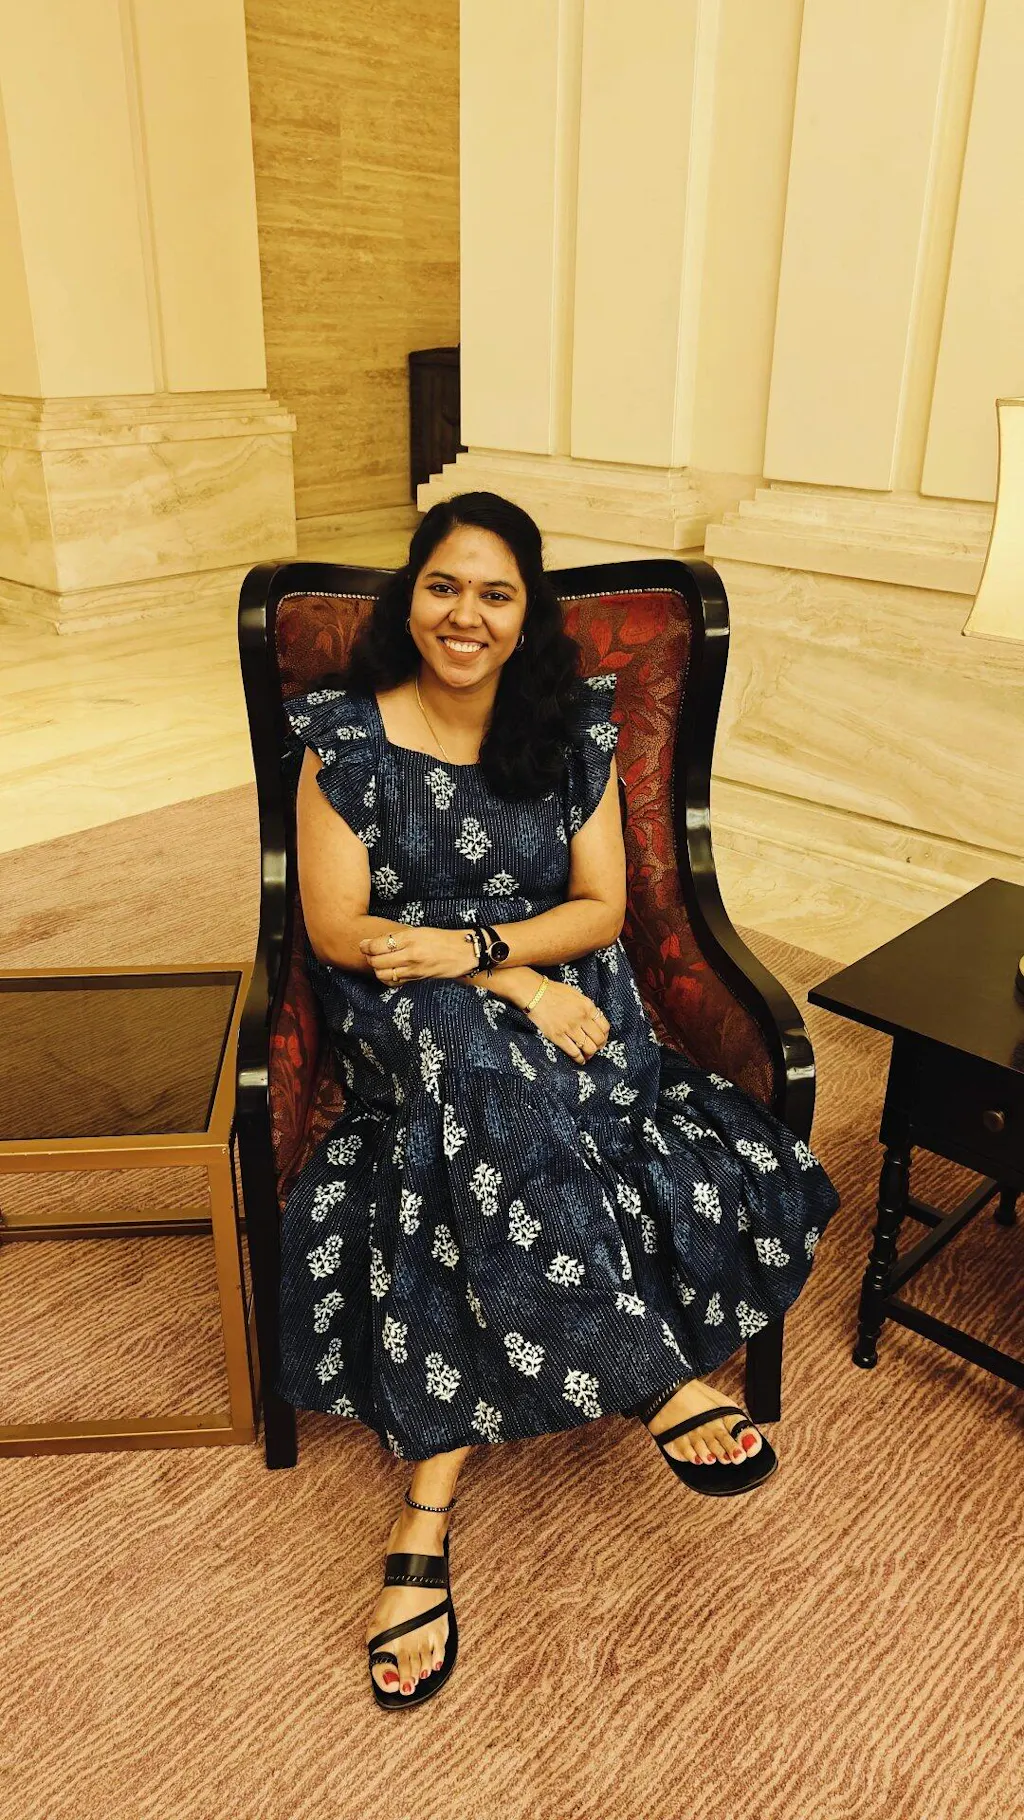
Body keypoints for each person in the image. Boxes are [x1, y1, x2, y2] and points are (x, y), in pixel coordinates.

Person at [276, 491, 840, 1710]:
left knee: (459, 1137)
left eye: (495, 593)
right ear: (409, 597)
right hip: (404, 1005)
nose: (464, 614)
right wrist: (493, 977)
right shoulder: (345, 736)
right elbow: (333, 926)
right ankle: (645, 1369)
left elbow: (602, 908)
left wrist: (500, 957)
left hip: (572, 1003)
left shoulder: (570, 729)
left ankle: (424, 1518)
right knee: (462, 1060)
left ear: (525, 613)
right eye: (443, 585)